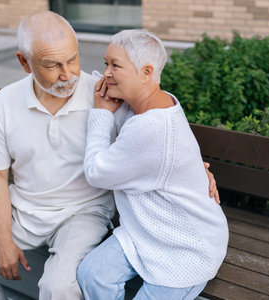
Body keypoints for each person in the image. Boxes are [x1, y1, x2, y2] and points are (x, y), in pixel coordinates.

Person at [0, 11, 218, 300]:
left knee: (58, 288)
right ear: (24, 62)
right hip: (25, 210)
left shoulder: (103, 94)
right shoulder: (4, 102)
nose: (67, 74)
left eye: (72, 59)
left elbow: (156, 131)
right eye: (52, 65)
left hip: (84, 212)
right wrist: (3, 239)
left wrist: (195, 168)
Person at [77, 29, 229, 300]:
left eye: (115, 65)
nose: (106, 73)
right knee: (92, 274)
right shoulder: (151, 99)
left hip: (187, 247)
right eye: (106, 63)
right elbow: (89, 82)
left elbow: (96, 172)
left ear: (146, 73)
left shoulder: (152, 126)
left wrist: (100, 114)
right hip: (143, 230)